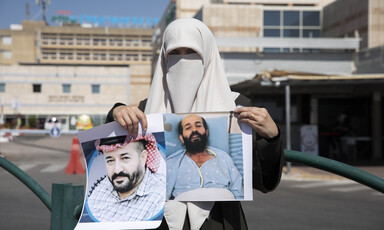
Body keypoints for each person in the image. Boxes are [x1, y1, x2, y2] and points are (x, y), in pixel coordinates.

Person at [106, 18, 283, 230]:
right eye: (174, 54)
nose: (182, 62)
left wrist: (271, 138)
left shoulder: (237, 109)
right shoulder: (147, 110)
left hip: (219, 222)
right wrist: (116, 112)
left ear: (207, 56)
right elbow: (114, 155)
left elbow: (263, 181)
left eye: (191, 53)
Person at [87, 134, 165, 222]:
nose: (117, 170)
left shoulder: (160, 197)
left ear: (143, 157)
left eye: (125, 158)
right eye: (110, 160)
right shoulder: (101, 189)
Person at [167, 114, 243, 200]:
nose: (194, 130)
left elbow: (238, 193)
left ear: (206, 133)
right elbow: (163, 196)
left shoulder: (224, 158)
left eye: (198, 126)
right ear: (181, 138)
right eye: (188, 128)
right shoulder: (171, 163)